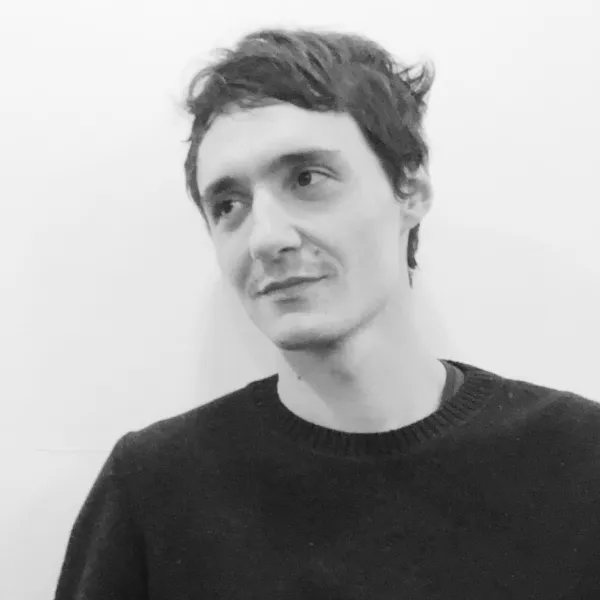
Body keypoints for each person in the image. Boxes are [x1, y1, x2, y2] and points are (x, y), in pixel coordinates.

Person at [54, 27, 600, 599]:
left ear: (410, 190)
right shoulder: (153, 489)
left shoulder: (579, 461)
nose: (265, 237)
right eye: (229, 204)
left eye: (307, 178)